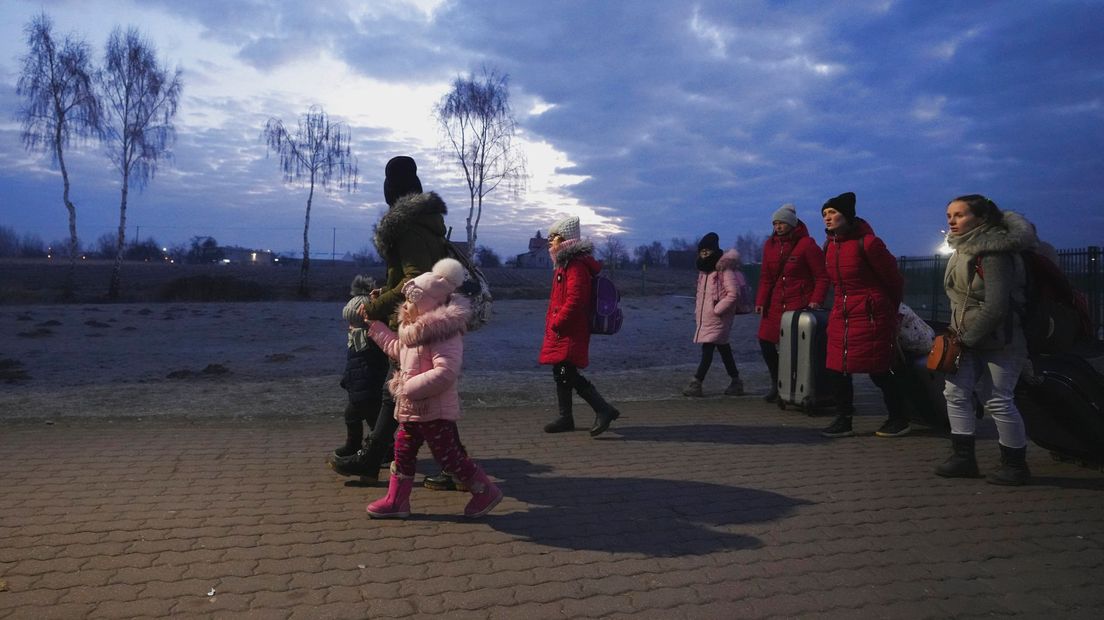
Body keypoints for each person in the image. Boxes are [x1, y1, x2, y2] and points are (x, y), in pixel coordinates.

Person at [330, 156, 453, 486]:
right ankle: (375, 457)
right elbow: (415, 273)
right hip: (431, 313)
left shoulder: (408, 226)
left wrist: (380, 304)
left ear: (391, 190)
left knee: (410, 391)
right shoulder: (427, 223)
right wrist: (388, 287)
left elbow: (415, 278)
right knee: (403, 392)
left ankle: (377, 458)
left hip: (417, 317)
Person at [358, 258, 503, 518]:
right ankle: (397, 501)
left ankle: (485, 491)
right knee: (402, 451)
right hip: (413, 409)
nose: (407, 306)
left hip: (434, 410)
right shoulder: (413, 330)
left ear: (428, 304)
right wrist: (376, 328)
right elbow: (398, 351)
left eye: (414, 301)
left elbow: (445, 373)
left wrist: (409, 388)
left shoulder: (443, 333)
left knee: (448, 457)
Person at [935, 195, 1037, 485]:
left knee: (999, 400)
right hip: (964, 337)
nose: (952, 221)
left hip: (1001, 340)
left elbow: (996, 305)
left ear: (981, 219)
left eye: (959, 215)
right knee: (954, 394)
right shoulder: (960, 249)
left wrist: (966, 339)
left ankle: (1015, 464)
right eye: (949, 215)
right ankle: (963, 457)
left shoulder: (994, 252)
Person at [818, 192, 910, 438]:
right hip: (842, 313)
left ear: (847, 215)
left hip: (871, 314)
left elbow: (894, 280)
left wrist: (888, 310)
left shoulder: (869, 243)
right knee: (836, 368)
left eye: (833, 213)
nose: (827, 218)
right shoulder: (829, 245)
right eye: (825, 214)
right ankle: (843, 419)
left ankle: (899, 417)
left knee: (878, 368)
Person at [539, 215, 622, 436]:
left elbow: (576, 299)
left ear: (565, 239)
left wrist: (558, 321)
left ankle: (603, 409)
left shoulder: (574, 266)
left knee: (567, 372)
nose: (549, 241)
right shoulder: (564, 265)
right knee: (562, 371)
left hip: (570, 330)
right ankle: (566, 417)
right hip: (564, 329)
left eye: (553, 237)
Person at [754, 204, 828, 402]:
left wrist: (815, 300)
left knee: (794, 347)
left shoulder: (807, 245)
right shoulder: (770, 245)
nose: (778, 227)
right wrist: (761, 301)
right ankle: (777, 382)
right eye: (775, 223)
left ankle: (794, 387)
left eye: (782, 223)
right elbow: (766, 277)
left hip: (798, 305)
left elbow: (821, 276)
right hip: (775, 304)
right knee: (766, 342)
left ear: (791, 224)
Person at [682, 232, 747, 397]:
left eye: (707, 251)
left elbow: (734, 294)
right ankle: (736, 381)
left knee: (708, 347)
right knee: (723, 348)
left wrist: (717, 310)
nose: (704, 255)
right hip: (708, 317)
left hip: (719, 317)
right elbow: (702, 295)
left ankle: (696, 382)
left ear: (714, 250)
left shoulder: (724, 270)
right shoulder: (704, 272)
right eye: (702, 252)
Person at [333, 275, 390, 459]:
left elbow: (368, 366)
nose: (349, 327)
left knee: (375, 421)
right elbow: (353, 365)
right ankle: (354, 444)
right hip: (359, 387)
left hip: (368, 389)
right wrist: (347, 380)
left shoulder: (370, 340)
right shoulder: (356, 340)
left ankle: (384, 451)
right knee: (352, 416)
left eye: (352, 323)